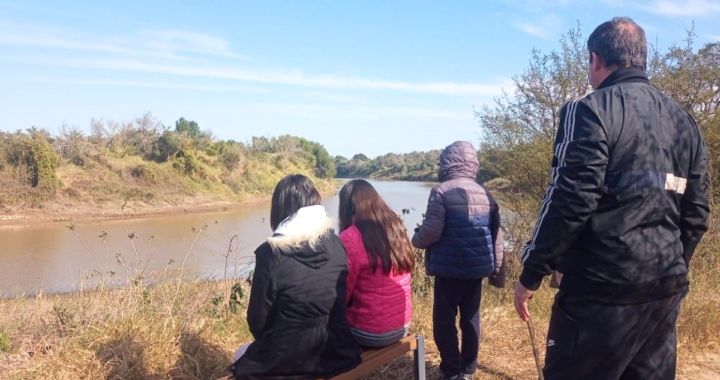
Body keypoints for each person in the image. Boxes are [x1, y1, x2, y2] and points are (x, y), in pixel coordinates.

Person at [513, 17, 710, 380]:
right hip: (663, 289)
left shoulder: (588, 109)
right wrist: (671, 263)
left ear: (596, 59)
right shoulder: (686, 122)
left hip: (599, 292)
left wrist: (532, 272)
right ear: (641, 59)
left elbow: (568, 199)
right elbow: (697, 212)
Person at [228, 174, 362, 380]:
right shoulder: (336, 243)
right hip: (337, 349)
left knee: (239, 356)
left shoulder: (270, 253)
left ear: (280, 208)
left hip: (288, 357)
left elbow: (258, 321)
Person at [412, 140, 506, 380]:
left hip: (449, 269)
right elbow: (497, 235)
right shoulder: (486, 193)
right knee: (471, 318)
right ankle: (469, 369)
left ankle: (452, 370)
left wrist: (416, 240)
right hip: (477, 270)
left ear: (447, 162)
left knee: (444, 321)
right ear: (473, 163)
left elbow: (431, 231)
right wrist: (496, 269)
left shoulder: (441, 190)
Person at [338, 179, 414, 348]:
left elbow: (344, 291)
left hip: (369, 333)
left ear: (347, 206)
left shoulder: (350, 236)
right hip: (402, 326)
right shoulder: (395, 226)